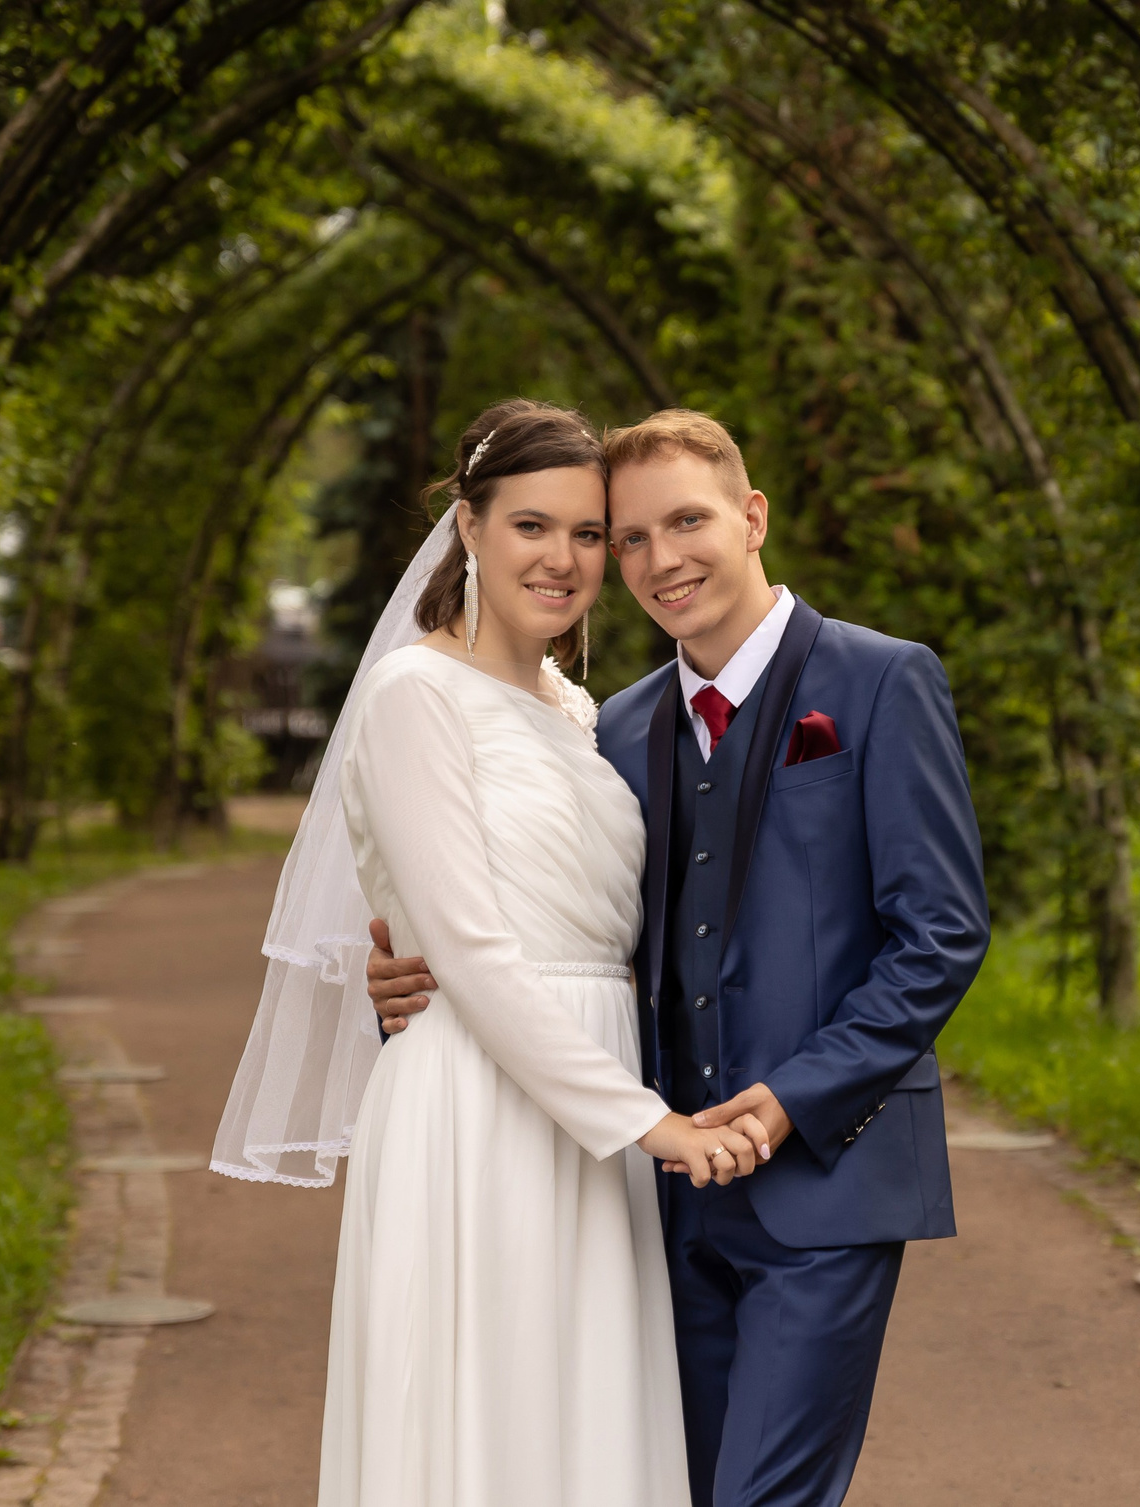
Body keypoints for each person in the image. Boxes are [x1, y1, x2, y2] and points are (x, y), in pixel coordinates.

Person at [370, 409, 990, 1507]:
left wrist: (789, 1101)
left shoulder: (882, 682)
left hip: (827, 1177)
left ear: (750, 519)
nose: (660, 560)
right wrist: (404, 975)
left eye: (685, 522)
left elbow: (940, 933)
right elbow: (551, 910)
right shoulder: (613, 726)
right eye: (633, 537)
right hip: (651, 1194)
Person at [210, 400, 760, 1507]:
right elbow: (467, 949)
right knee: (481, 1428)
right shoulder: (415, 695)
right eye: (531, 526)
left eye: (591, 534)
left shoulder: (576, 708)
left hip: (592, 1107)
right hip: (480, 1105)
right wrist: (648, 1124)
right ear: (467, 526)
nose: (564, 559)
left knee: (585, 1424)